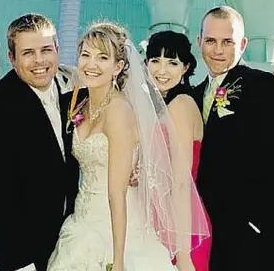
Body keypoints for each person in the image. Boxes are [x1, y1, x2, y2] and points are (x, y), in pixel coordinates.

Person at [47, 22, 208, 270]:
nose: (91, 64)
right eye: (86, 55)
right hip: (82, 219)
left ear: (119, 66)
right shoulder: (80, 104)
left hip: (119, 226)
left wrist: (118, 259)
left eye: (102, 57)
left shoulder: (122, 111)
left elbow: (119, 192)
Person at [0, 13, 83, 271]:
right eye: (28, 53)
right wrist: (20, 263)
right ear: (12, 59)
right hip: (25, 250)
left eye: (46, 50)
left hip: (72, 238)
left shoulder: (74, 86)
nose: (39, 61)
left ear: (57, 50)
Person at [193, 6, 274, 271]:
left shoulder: (262, 85)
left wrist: (256, 222)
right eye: (211, 41)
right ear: (199, 41)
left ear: (242, 44)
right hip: (204, 235)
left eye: (227, 42)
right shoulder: (191, 96)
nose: (217, 50)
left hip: (252, 235)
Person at [145, 30, 211, 270]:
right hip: (161, 222)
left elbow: (182, 183)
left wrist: (183, 254)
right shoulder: (160, 107)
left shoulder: (181, 105)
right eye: (155, 61)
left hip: (183, 228)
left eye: (172, 63)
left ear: (185, 68)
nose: (162, 71)